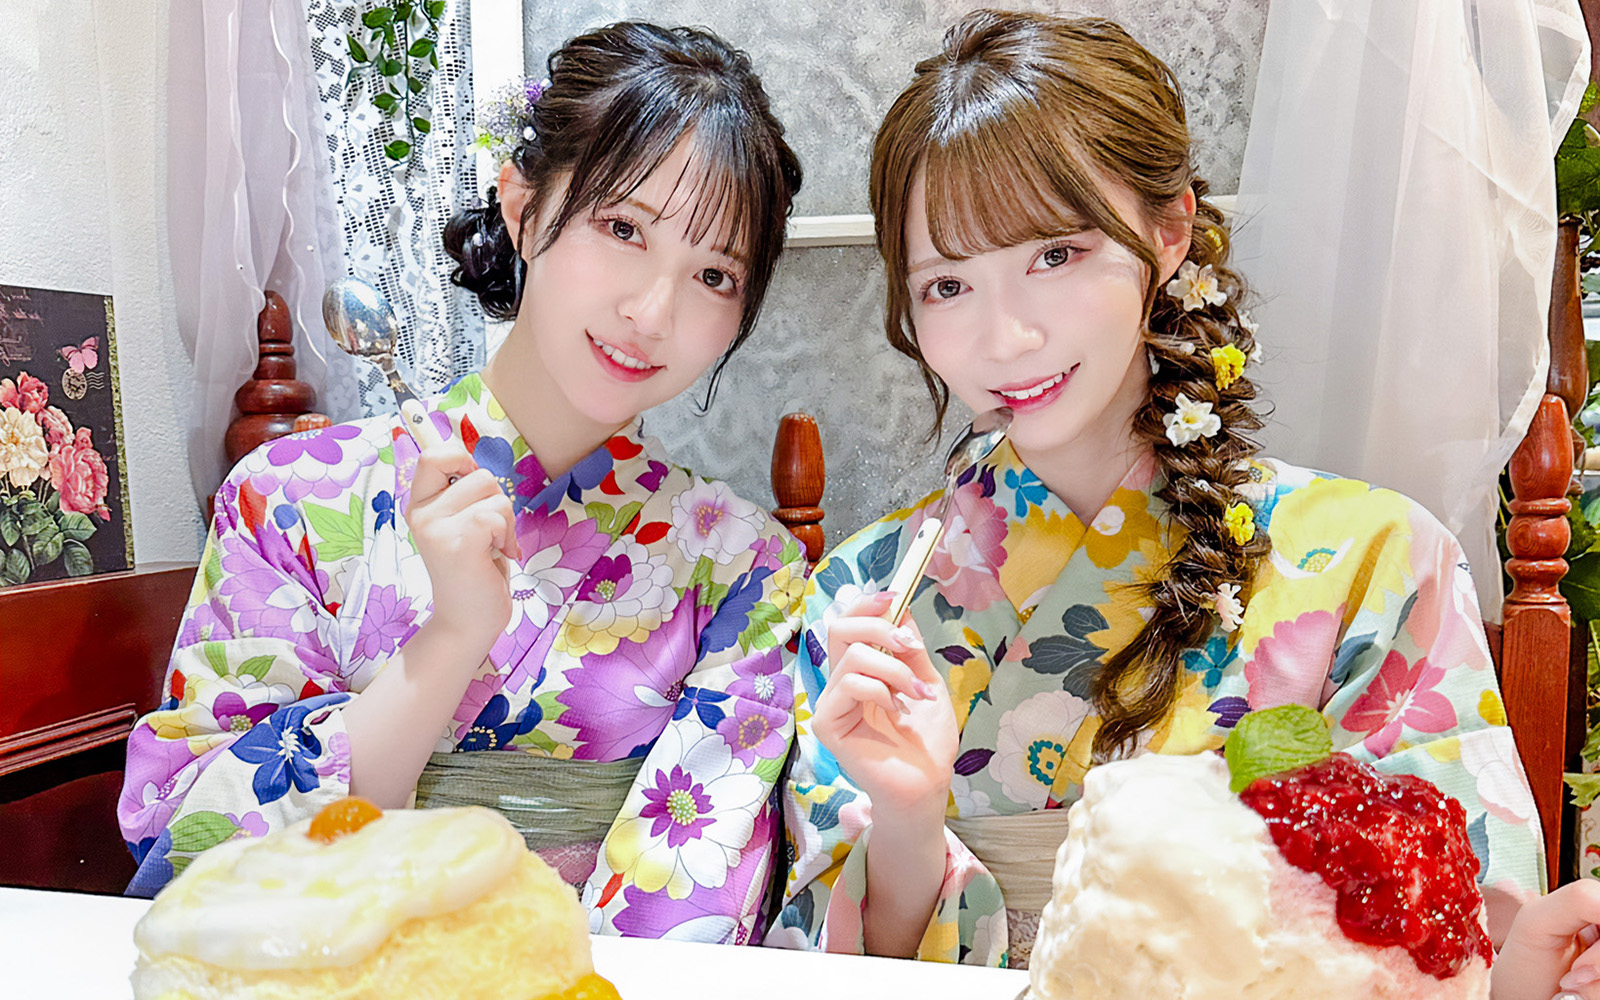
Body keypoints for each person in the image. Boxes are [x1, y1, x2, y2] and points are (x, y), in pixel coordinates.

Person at [769, 8, 1546, 973]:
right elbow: (829, 977)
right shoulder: (867, 595)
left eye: (1055, 256)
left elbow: (1466, 930)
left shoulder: (1379, 559)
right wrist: (912, 817)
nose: (1005, 337)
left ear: (1169, 229)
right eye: (947, 286)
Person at [118, 21, 806, 945]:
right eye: (622, 228)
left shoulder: (742, 564)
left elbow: (693, 910)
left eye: (714, 273)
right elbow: (192, 843)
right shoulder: (291, 495)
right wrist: (449, 642)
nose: (652, 313)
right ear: (522, 207)